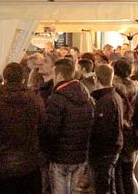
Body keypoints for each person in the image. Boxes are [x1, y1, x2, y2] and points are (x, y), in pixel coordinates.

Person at [0, 62, 46, 193]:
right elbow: (43, 126)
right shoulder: (35, 99)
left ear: (5, 79)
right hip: (29, 162)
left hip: (1, 163)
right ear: (23, 79)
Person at [44, 58, 95, 194]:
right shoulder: (86, 97)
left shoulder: (57, 98)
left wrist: (47, 150)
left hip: (61, 156)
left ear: (59, 76)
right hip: (80, 154)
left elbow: (51, 130)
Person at [90, 64, 125, 194]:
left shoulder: (105, 101)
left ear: (96, 79)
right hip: (113, 147)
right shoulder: (115, 96)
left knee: (103, 185)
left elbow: (103, 129)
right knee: (109, 184)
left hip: (104, 150)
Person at [112, 59, 138, 194]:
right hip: (132, 131)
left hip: (119, 131)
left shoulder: (114, 89)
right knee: (128, 172)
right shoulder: (135, 88)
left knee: (117, 172)